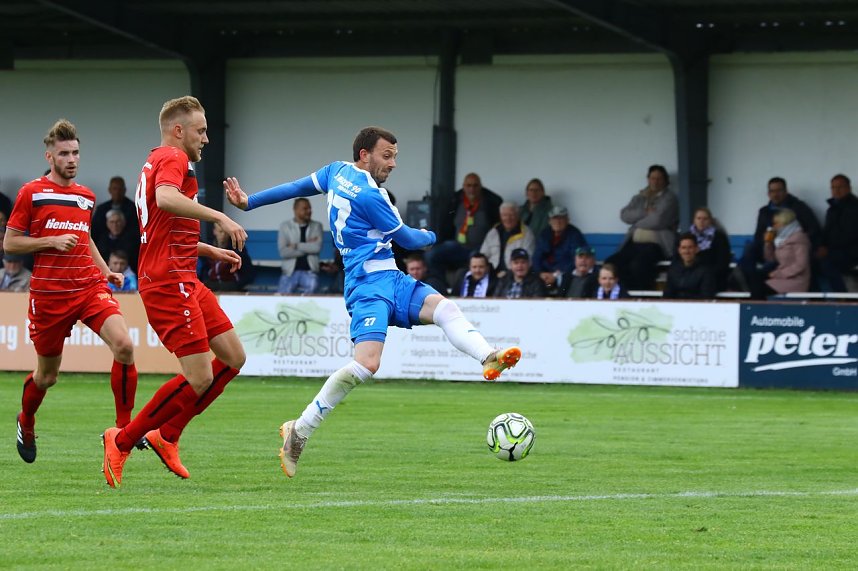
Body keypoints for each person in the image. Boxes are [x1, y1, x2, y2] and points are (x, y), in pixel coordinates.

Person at [223, 126, 522, 478]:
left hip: (390, 277)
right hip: (367, 285)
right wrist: (433, 233)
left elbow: (295, 187)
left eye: (395, 156)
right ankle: (299, 430)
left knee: (445, 308)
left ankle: (488, 356)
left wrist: (249, 202)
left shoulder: (336, 171)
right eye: (387, 155)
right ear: (364, 155)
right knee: (367, 364)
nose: (393, 163)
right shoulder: (371, 196)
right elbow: (411, 240)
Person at [101, 96, 248, 488]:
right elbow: (166, 199)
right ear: (178, 130)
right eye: (201, 131)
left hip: (183, 276)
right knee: (199, 377)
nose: (206, 139)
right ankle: (122, 440)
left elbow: (163, 229)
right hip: (168, 282)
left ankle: (168, 434)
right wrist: (220, 216)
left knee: (233, 357)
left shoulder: (159, 160)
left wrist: (209, 250)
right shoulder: (172, 157)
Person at [5, 119, 138, 464]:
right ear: (49, 156)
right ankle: (26, 420)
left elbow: (84, 238)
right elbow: (10, 243)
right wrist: (50, 241)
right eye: (64, 153)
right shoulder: (31, 193)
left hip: (88, 287)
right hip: (50, 296)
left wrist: (105, 270)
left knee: (124, 346)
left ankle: (124, 431)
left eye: (75, 152)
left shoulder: (86, 196)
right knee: (47, 376)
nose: (72, 159)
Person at [606, 165, 679, 290]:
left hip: (657, 245)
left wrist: (635, 223)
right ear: (648, 179)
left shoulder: (670, 198)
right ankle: (624, 294)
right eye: (653, 178)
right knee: (612, 262)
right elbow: (624, 215)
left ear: (665, 180)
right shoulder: (640, 197)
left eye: (659, 178)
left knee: (638, 265)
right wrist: (645, 212)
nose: (655, 181)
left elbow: (657, 220)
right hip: (634, 244)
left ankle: (640, 295)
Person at [425, 172, 503, 285]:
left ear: (480, 186)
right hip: (457, 245)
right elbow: (445, 226)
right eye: (469, 185)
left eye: (475, 185)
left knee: (474, 260)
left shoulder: (490, 202)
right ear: (463, 187)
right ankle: (440, 286)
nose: (472, 189)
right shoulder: (455, 200)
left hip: (480, 247)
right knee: (431, 255)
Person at [741, 176, 820, 271]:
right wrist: (767, 239)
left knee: (767, 269)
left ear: (786, 191)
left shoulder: (799, 207)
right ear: (768, 194)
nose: (775, 194)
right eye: (772, 191)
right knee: (750, 247)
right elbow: (758, 235)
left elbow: (814, 229)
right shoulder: (764, 211)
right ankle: (742, 276)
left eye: (779, 191)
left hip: (791, 249)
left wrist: (791, 240)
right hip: (770, 249)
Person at [742, 208, 811, 299]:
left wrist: (778, 274)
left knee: (758, 286)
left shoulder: (799, 239)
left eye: (777, 223)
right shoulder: (780, 239)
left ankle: (755, 306)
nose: (774, 226)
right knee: (751, 277)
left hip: (795, 280)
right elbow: (770, 259)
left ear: (785, 224)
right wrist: (768, 243)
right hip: (780, 276)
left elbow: (800, 265)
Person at [815, 174, 858, 292]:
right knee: (810, 260)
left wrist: (828, 250)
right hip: (834, 250)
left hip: (851, 252)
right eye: (833, 187)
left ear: (849, 188)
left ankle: (843, 296)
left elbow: (850, 235)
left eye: (840, 187)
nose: (836, 190)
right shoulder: (832, 209)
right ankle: (816, 299)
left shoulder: (854, 208)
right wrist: (821, 246)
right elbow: (826, 231)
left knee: (827, 263)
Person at [533, 205, 588, 294]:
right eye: (554, 219)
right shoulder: (544, 234)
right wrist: (540, 273)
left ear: (567, 220)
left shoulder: (575, 235)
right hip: (545, 276)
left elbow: (577, 260)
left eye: (561, 218)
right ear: (549, 221)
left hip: (565, 275)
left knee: (563, 288)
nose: (558, 222)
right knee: (537, 286)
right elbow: (537, 257)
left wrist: (556, 275)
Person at [276, 196, 323, 294]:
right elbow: (284, 252)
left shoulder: (316, 226)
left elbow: (316, 248)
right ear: (296, 210)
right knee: (282, 297)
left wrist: (296, 245)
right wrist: (308, 247)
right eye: (305, 208)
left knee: (313, 287)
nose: (309, 211)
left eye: (310, 208)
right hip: (289, 273)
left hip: (310, 273)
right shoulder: (285, 226)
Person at [479, 201, 535, 279]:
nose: (508, 218)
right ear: (500, 216)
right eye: (504, 215)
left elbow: (528, 261)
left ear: (518, 215)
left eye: (511, 215)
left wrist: (508, 273)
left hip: (513, 275)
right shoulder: (493, 232)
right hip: (490, 273)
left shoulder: (527, 234)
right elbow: (483, 255)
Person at [199, 222, 255, 292]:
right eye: (220, 232)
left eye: (225, 232)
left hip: (231, 287)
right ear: (214, 231)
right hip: (210, 286)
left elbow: (249, 273)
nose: (223, 235)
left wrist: (236, 285)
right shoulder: (208, 248)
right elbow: (204, 269)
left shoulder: (238, 249)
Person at [688, 206, 732, 291]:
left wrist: (704, 275)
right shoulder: (687, 237)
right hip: (690, 276)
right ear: (694, 220)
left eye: (705, 219)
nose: (701, 221)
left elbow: (723, 263)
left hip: (713, 278)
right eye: (699, 218)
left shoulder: (720, 237)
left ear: (710, 221)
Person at [663, 233, 717, 300]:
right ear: (679, 250)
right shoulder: (673, 270)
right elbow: (667, 295)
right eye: (683, 248)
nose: (686, 251)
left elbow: (706, 297)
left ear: (697, 249)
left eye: (690, 247)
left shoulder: (706, 271)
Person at [92, 176, 139, 245]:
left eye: (120, 189)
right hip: (104, 246)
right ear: (109, 190)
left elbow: (136, 232)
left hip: (128, 246)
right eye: (115, 189)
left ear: (124, 190)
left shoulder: (134, 209)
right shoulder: (101, 209)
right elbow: (95, 231)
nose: (117, 192)